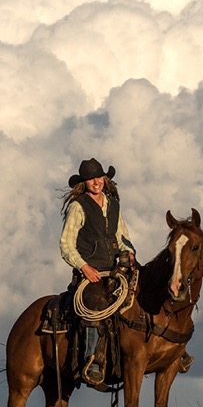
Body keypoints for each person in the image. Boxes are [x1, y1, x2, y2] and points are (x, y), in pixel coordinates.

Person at [60, 158, 136, 384]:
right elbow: (66, 245)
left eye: (99, 177)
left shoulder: (113, 204)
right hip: (91, 274)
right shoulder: (78, 206)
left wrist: (129, 252)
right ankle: (92, 360)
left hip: (115, 271)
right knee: (95, 307)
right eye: (91, 178)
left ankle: (170, 349)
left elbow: (123, 237)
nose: (96, 182)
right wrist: (84, 267)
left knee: (145, 292)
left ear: (104, 178)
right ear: (84, 182)